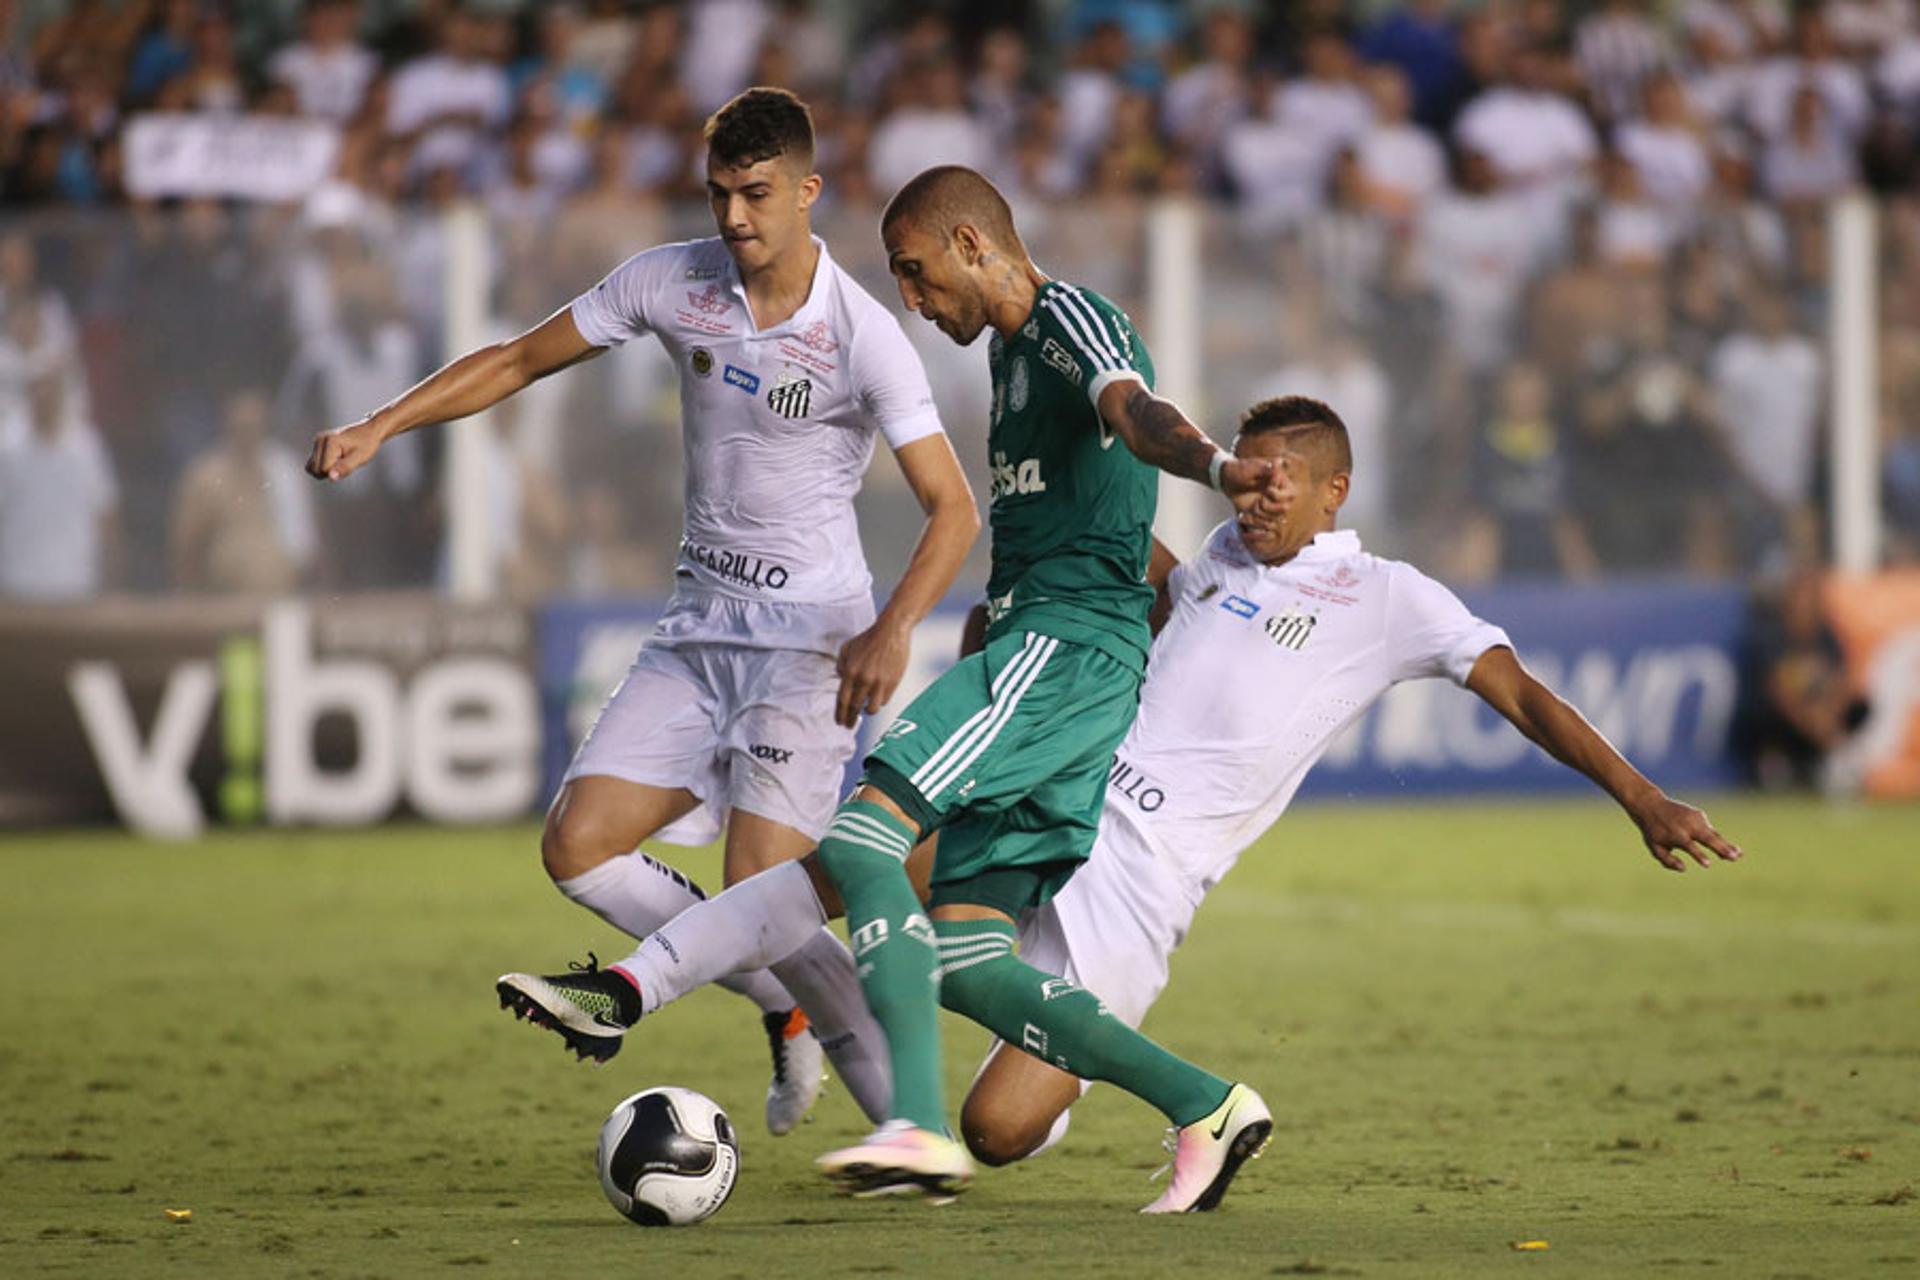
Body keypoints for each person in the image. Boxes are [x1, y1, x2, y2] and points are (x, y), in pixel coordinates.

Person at [498, 164, 1291, 1213]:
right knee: (964, 955)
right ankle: (1207, 1102)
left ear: (972, 244)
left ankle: (913, 1123)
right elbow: (1100, 520)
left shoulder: (1067, 319)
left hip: (1056, 658)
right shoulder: (1012, 361)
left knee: (864, 837)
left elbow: (1136, 409)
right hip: (1047, 657)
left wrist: (1217, 462)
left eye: (918, 275)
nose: (912, 301)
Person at [307, 89, 980, 1137]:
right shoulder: (672, 280)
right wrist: (380, 424)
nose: (733, 218)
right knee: (577, 845)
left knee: (761, 890)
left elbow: (953, 506)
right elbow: (520, 357)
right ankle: (788, 1004)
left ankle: (916, 1128)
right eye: (718, 193)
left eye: (755, 194)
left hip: (809, 641)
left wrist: (893, 628)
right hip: (694, 626)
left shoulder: (864, 335)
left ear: (807, 190)